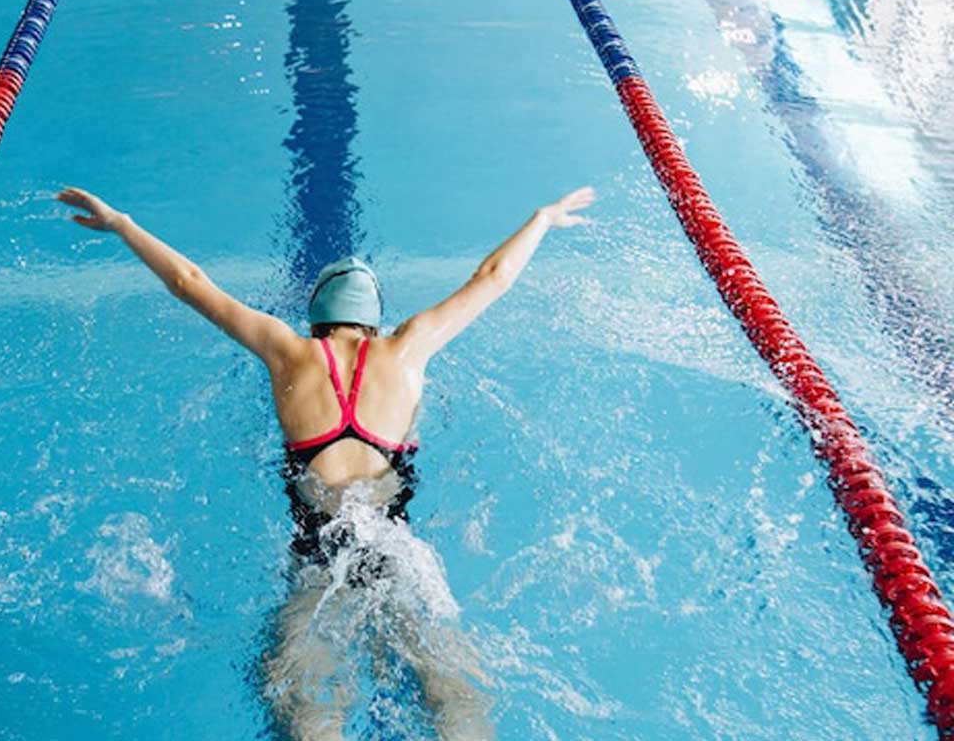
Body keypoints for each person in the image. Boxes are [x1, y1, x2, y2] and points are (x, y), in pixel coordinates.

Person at [55, 185, 596, 740]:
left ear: (315, 322)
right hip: (398, 559)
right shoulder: (408, 348)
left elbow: (188, 282)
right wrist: (541, 219)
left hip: (320, 563)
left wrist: (122, 223)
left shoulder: (285, 350)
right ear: (374, 325)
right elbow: (492, 277)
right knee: (455, 699)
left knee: (302, 706)